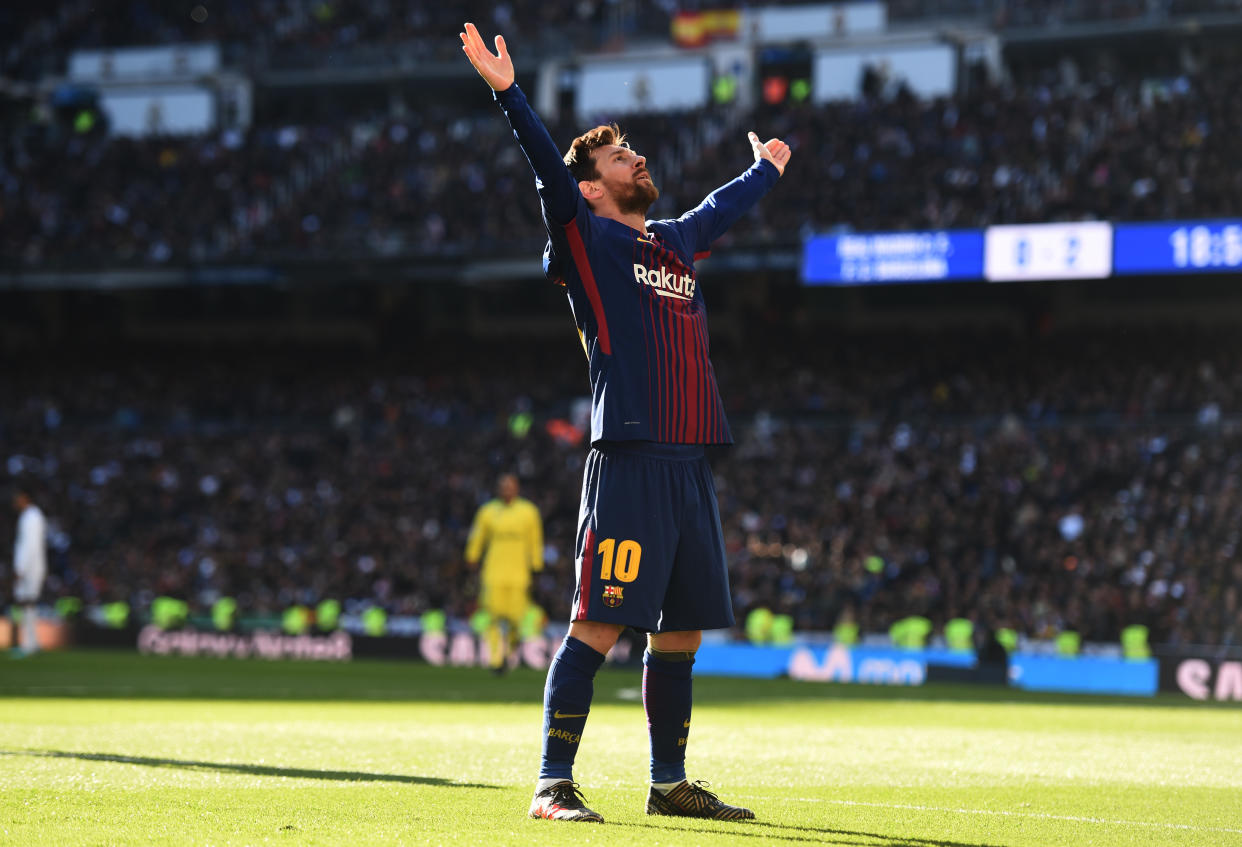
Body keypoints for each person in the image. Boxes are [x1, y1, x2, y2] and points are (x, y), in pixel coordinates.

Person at [459, 22, 791, 824]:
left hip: (689, 460)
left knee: (681, 634)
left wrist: (765, 170)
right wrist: (509, 93)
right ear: (596, 189)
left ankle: (668, 781)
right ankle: (551, 783)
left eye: (632, 151)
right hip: (631, 457)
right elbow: (547, 171)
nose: (635, 158)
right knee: (599, 621)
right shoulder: (589, 239)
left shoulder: (672, 243)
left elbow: (718, 211)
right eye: (618, 157)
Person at [464, 473, 544, 673]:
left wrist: (536, 566)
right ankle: (495, 659)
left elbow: (535, 541)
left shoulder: (529, 512)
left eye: (510, 486)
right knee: (491, 617)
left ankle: (508, 652)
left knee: (517, 620)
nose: (507, 489)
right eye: (503, 486)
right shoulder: (487, 511)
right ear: (498, 489)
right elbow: (477, 537)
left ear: (517, 488)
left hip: (519, 575)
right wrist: (472, 556)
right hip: (493, 573)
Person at [10, 488, 47, 657]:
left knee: (28, 602)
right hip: (32, 566)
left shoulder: (31, 517)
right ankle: (32, 643)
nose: (15, 502)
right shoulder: (31, 516)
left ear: (25, 498)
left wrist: (21, 568)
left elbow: (29, 546)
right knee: (28, 604)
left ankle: (29, 644)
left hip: (30, 568)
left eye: (17, 498)